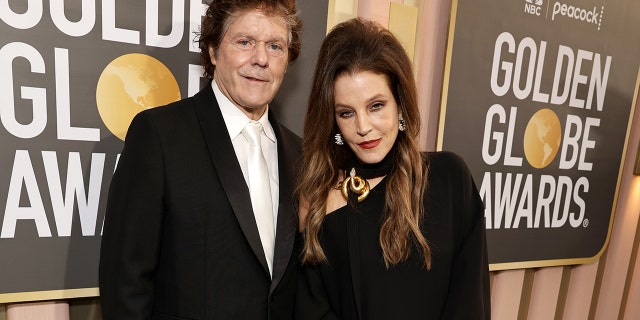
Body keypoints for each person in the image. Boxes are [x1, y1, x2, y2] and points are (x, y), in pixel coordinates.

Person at [99, 0, 303, 319]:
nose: (261, 59)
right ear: (212, 50)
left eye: (275, 46)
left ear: (287, 60)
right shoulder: (159, 136)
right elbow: (125, 281)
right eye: (245, 42)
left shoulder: (300, 154)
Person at [295, 18, 491, 319]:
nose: (363, 128)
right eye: (347, 113)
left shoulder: (449, 179)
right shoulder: (320, 199)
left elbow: (469, 302)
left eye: (376, 106)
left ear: (400, 104)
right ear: (333, 121)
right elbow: (312, 311)